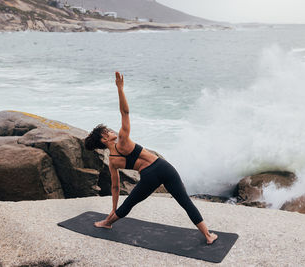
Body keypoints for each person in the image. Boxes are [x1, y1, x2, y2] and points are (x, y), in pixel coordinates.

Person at [84, 71, 218, 245]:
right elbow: (125, 112)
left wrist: (113, 208)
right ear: (104, 139)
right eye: (107, 132)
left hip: (148, 176)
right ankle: (208, 235)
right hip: (164, 168)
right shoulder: (123, 141)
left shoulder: (113, 161)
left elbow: (116, 187)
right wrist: (120, 89)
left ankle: (107, 222)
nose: (111, 132)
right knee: (185, 202)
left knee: (130, 202)